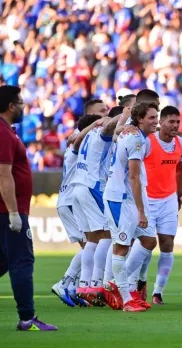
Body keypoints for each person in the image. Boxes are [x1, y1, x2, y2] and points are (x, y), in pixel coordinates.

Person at [0, 85, 56, 331]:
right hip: (7, 211)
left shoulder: (6, 132)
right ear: (11, 106)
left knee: (2, 261)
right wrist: (13, 213)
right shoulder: (2, 133)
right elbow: (3, 175)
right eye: (20, 102)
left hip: (6, 210)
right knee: (22, 261)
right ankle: (27, 318)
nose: (24, 106)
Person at [104, 102, 159, 312]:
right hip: (120, 198)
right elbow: (134, 177)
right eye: (152, 117)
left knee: (148, 240)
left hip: (128, 197)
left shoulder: (135, 134)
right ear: (140, 119)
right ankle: (127, 300)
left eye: (157, 116)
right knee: (121, 247)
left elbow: (118, 134)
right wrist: (141, 211)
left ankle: (119, 285)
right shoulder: (136, 139)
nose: (156, 121)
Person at [52, 114, 105, 308]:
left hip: (70, 199)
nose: (105, 116)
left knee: (92, 244)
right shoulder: (79, 142)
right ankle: (66, 283)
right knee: (91, 244)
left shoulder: (81, 141)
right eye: (102, 112)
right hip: (70, 200)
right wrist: (95, 125)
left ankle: (74, 286)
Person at [72, 102, 121, 306]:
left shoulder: (86, 134)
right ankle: (96, 285)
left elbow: (74, 143)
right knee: (109, 234)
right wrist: (125, 115)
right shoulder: (101, 132)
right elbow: (109, 128)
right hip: (93, 186)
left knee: (92, 239)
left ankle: (85, 285)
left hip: (79, 186)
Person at [144, 105, 182, 305]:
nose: (175, 125)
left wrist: (180, 191)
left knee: (167, 245)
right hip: (147, 199)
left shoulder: (181, 144)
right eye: (171, 121)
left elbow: (179, 169)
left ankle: (158, 291)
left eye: (177, 122)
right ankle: (139, 282)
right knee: (145, 244)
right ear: (161, 122)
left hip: (169, 199)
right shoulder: (147, 142)